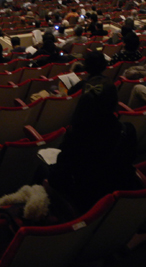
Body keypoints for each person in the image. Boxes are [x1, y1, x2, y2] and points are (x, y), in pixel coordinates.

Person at [48, 76, 138, 212]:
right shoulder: (128, 130)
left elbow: (61, 175)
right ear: (114, 102)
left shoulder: (77, 137)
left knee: (42, 171)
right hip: (116, 197)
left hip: (86, 200)